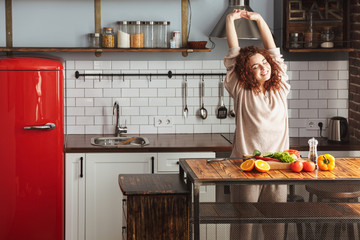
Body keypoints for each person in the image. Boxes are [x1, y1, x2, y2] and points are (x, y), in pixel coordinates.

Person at [224, 9, 290, 240]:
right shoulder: (240, 89)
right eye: (255, 66)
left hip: (279, 166)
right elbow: (233, 54)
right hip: (245, 166)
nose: (264, 67)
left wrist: (260, 20)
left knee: (275, 225)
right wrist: (230, 20)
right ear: (245, 73)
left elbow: (273, 52)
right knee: (243, 225)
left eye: (264, 62)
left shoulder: (280, 87)